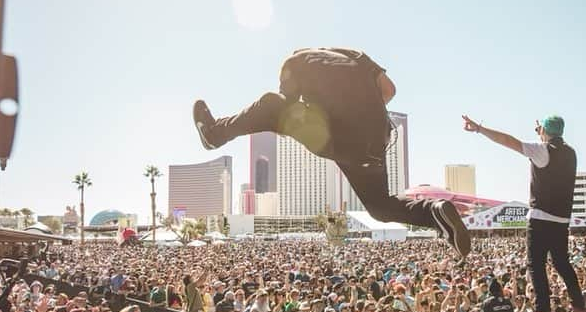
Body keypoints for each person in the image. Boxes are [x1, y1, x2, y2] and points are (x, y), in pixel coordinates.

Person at [192, 48, 470, 258]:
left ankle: (216, 134)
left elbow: (283, 104)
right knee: (380, 207)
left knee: (270, 104)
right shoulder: (356, 56)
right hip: (375, 138)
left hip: (341, 135)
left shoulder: (292, 63)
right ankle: (435, 213)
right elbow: (389, 90)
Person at [462, 114, 586, 312]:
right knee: (562, 263)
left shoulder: (542, 150)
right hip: (561, 219)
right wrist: (542, 134)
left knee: (536, 265)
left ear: (546, 132)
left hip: (541, 218)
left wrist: (480, 129)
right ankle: (579, 309)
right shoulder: (570, 152)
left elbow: (509, 141)